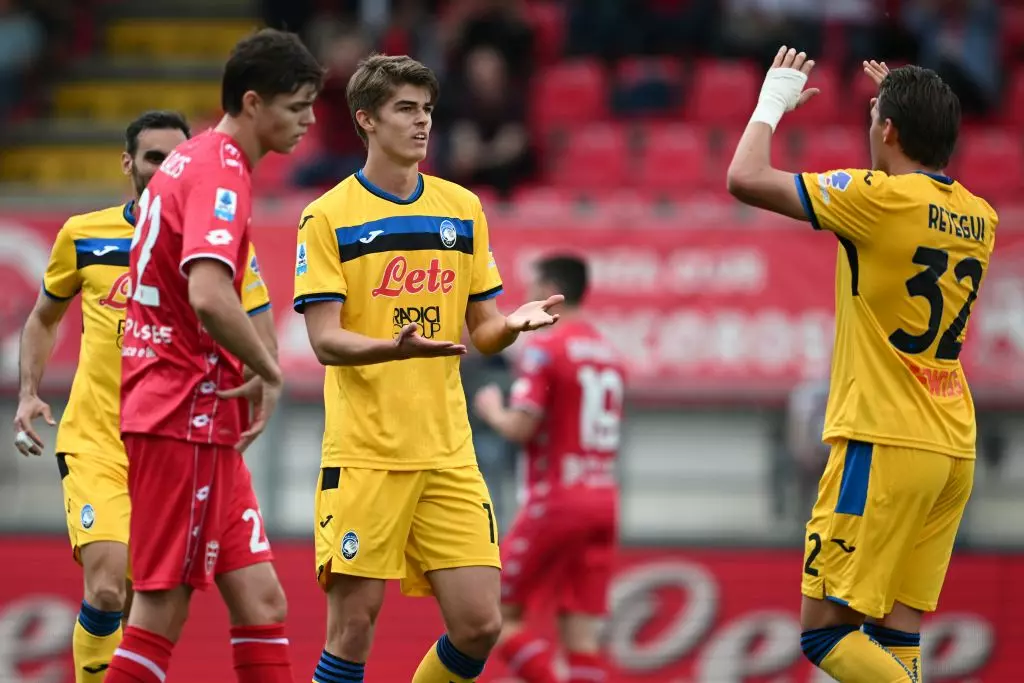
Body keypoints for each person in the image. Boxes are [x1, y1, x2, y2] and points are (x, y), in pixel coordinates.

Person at [726, 48, 995, 683]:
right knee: (896, 633)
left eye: (875, 119)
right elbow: (910, 179)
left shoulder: (876, 201)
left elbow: (744, 176)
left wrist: (773, 100)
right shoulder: (981, 216)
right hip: (951, 445)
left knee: (825, 632)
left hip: (883, 440)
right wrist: (900, 107)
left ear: (890, 131)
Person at [293, 53, 563, 683]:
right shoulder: (328, 215)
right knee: (353, 629)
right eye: (406, 109)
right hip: (366, 454)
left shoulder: (461, 207)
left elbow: (482, 331)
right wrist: (393, 348)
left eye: (428, 110)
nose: (422, 122)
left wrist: (510, 326)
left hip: (448, 453)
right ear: (366, 119)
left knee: (480, 625)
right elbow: (325, 341)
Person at [12, 110, 277, 683]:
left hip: (171, 442)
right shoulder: (84, 234)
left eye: (176, 158)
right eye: (154, 157)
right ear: (127, 162)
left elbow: (258, 316)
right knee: (108, 586)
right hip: (98, 444)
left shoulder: (216, 241)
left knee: (141, 598)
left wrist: (263, 373)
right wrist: (28, 393)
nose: (165, 169)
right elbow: (43, 318)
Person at [103, 29, 323, 683]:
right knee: (160, 610)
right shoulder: (221, 169)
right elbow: (207, 293)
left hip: (195, 415)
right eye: (297, 106)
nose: (310, 121)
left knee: (262, 601)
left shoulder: (191, 158)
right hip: (184, 413)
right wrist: (269, 366)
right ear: (253, 103)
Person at [473, 255, 625, 683]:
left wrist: (492, 411)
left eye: (531, 287)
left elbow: (523, 428)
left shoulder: (546, 347)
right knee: (581, 637)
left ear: (549, 290)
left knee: (491, 614)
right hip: (604, 500)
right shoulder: (609, 353)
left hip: (557, 499)